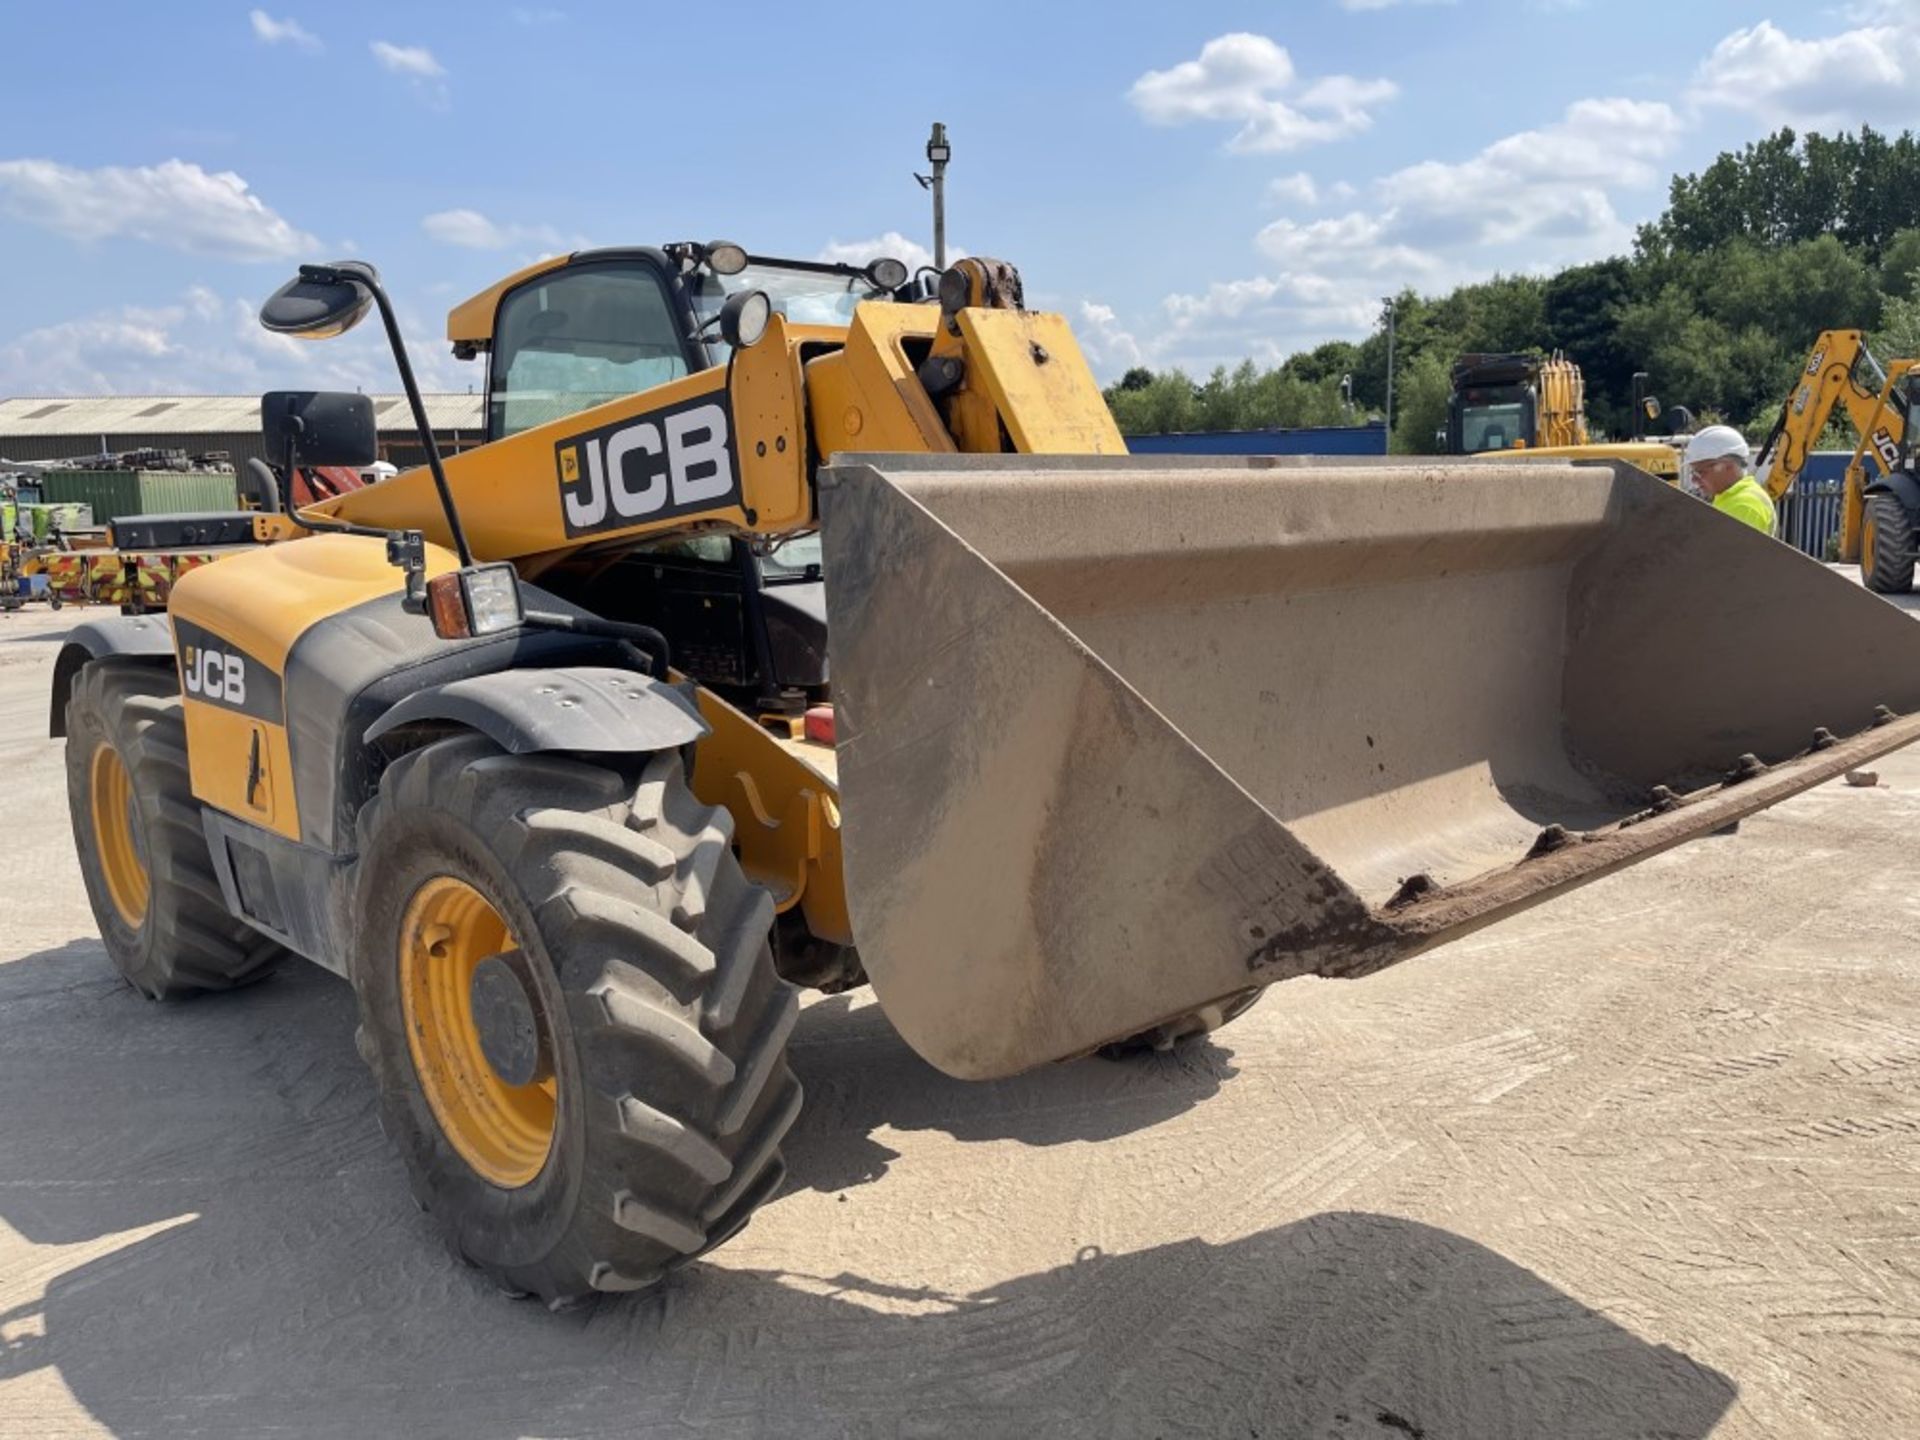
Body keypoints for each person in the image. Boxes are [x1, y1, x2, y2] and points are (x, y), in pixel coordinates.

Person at [1683, 425, 1775, 536]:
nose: (1694, 479)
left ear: (1728, 466)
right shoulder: (1728, 498)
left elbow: (1729, 552)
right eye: (1693, 472)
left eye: (1700, 472)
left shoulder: (1744, 505)